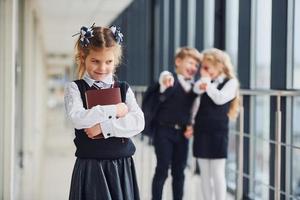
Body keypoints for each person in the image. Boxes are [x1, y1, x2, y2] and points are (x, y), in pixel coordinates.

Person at [64, 24, 144, 200]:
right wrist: (114, 109)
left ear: (115, 60)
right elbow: (78, 118)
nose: (102, 67)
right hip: (91, 167)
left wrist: (103, 127)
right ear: (82, 58)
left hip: (122, 167)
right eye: (95, 61)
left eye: (108, 61)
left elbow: (138, 122)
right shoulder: (75, 89)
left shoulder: (123, 89)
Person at [146, 47, 202, 200]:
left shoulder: (194, 88)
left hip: (182, 133)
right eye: (190, 63)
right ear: (178, 62)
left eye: (196, 65)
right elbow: (164, 77)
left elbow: (194, 111)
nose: (193, 68)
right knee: (162, 169)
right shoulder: (170, 80)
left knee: (179, 171)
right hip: (163, 131)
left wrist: (192, 126)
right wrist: (165, 78)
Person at [192, 48, 239, 200]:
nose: (203, 71)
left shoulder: (231, 82)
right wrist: (205, 81)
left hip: (218, 131)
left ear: (219, 65)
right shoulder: (205, 81)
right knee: (204, 174)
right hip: (201, 130)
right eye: (202, 68)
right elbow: (195, 90)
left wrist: (207, 84)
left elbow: (220, 98)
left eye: (206, 67)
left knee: (218, 173)